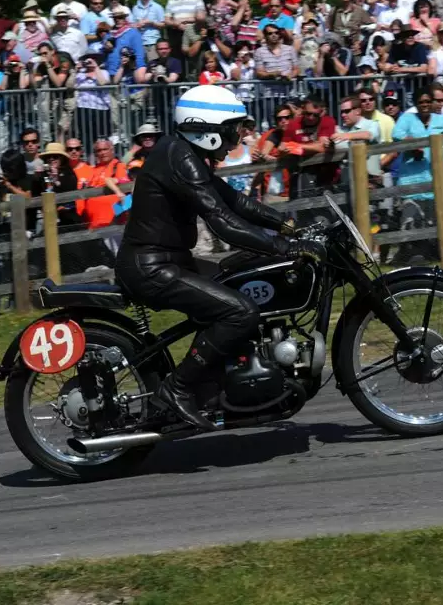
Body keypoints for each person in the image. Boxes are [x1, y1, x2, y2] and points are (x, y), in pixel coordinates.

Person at [114, 85, 322, 432]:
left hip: (170, 261)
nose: (236, 138)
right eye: (231, 129)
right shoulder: (178, 156)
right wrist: (282, 249)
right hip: (153, 267)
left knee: (241, 279)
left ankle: (217, 382)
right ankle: (176, 390)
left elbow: (236, 202)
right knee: (240, 311)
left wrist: (286, 226)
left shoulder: (185, 154)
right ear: (207, 128)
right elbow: (223, 224)